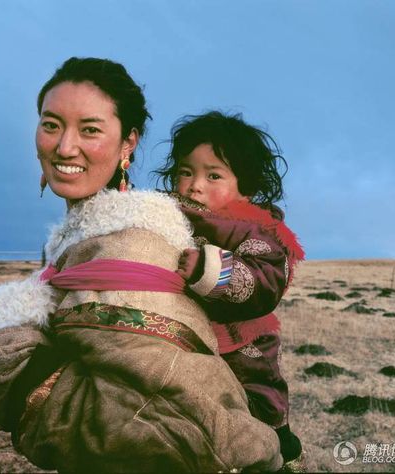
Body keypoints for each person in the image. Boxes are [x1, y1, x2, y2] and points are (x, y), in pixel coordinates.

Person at [0, 58, 284, 473]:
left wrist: (24, 378)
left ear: (128, 144)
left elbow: (159, 420)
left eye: (90, 129)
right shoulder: (80, 236)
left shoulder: (134, 237)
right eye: (51, 124)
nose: (65, 147)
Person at [155, 111, 306, 469]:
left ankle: (277, 445)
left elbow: (266, 279)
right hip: (190, 337)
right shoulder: (171, 216)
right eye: (185, 171)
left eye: (214, 175)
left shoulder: (253, 229)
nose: (195, 185)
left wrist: (210, 269)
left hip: (243, 343)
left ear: (246, 187)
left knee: (256, 401)